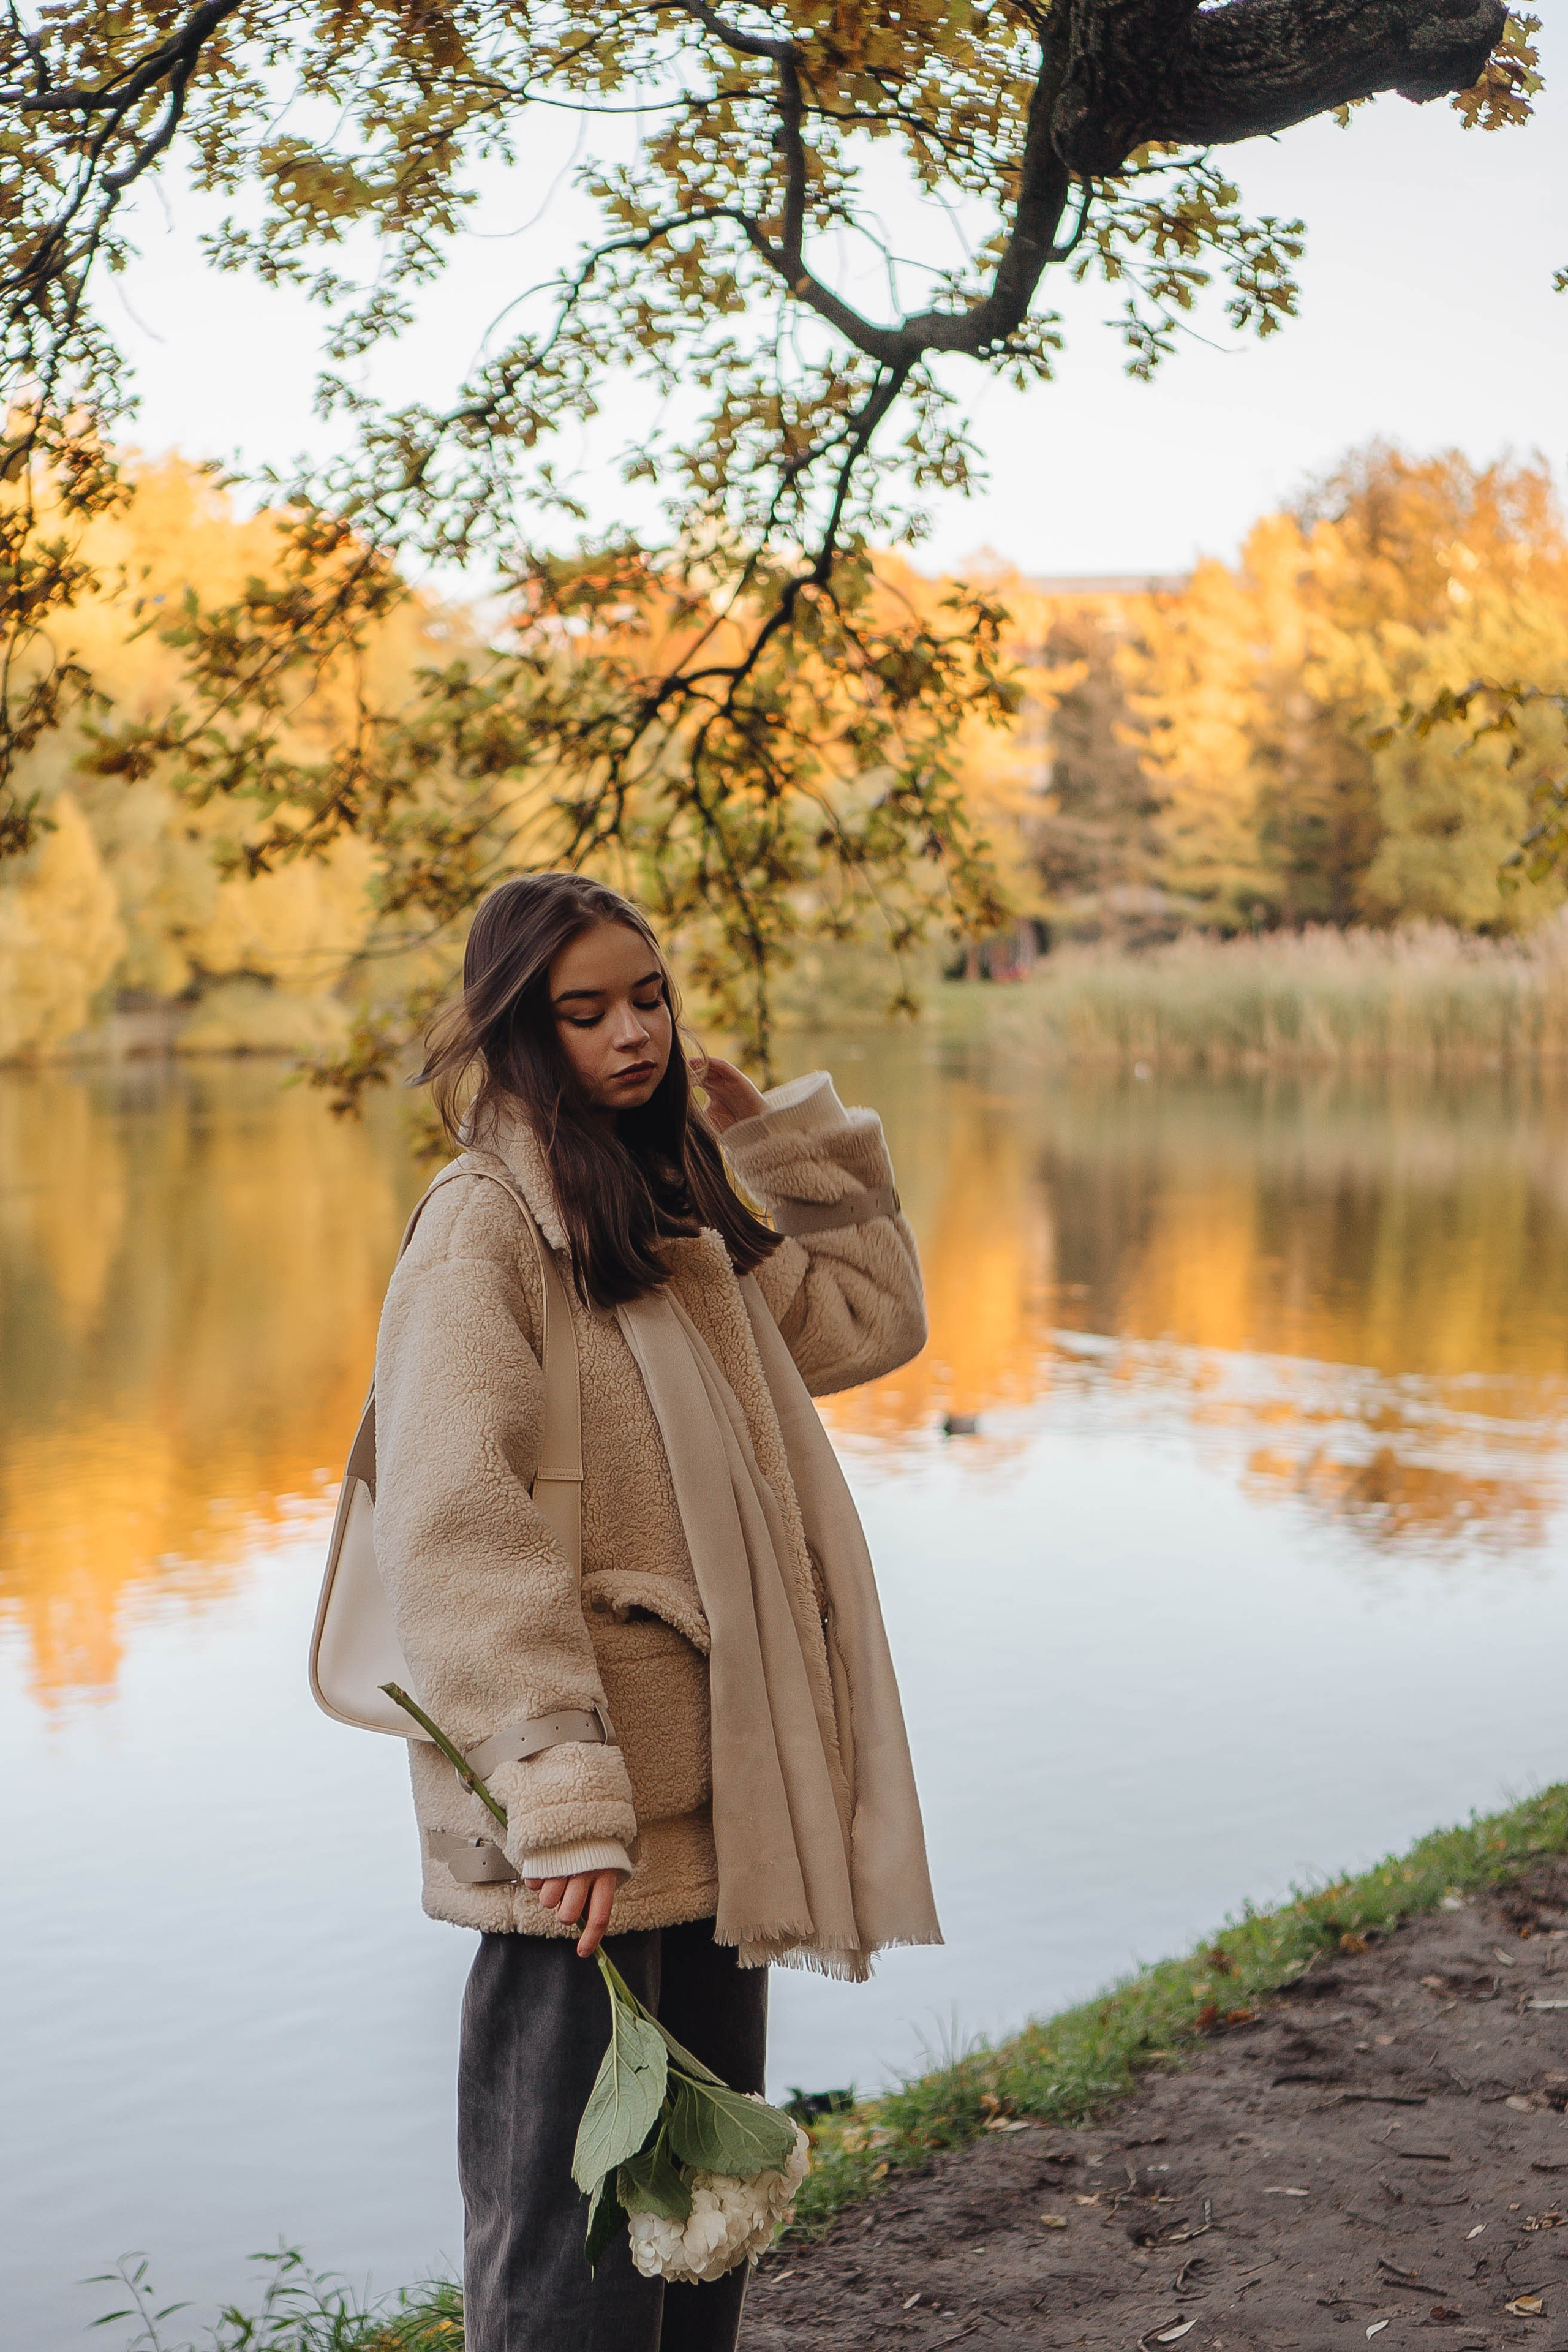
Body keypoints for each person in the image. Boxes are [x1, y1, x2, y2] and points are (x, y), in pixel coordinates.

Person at [372, 871, 941, 2352]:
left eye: (649, 996)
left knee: (694, 2235)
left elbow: (871, 1323)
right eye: (586, 1011)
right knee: (565, 2266)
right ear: (516, 1031)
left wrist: (776, 1145)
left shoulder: (671, 1201)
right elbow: (452, 1526)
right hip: (584, 1827)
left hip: (713, 1806)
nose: (633, 1033)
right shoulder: (481, 1228)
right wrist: (558, 1790)